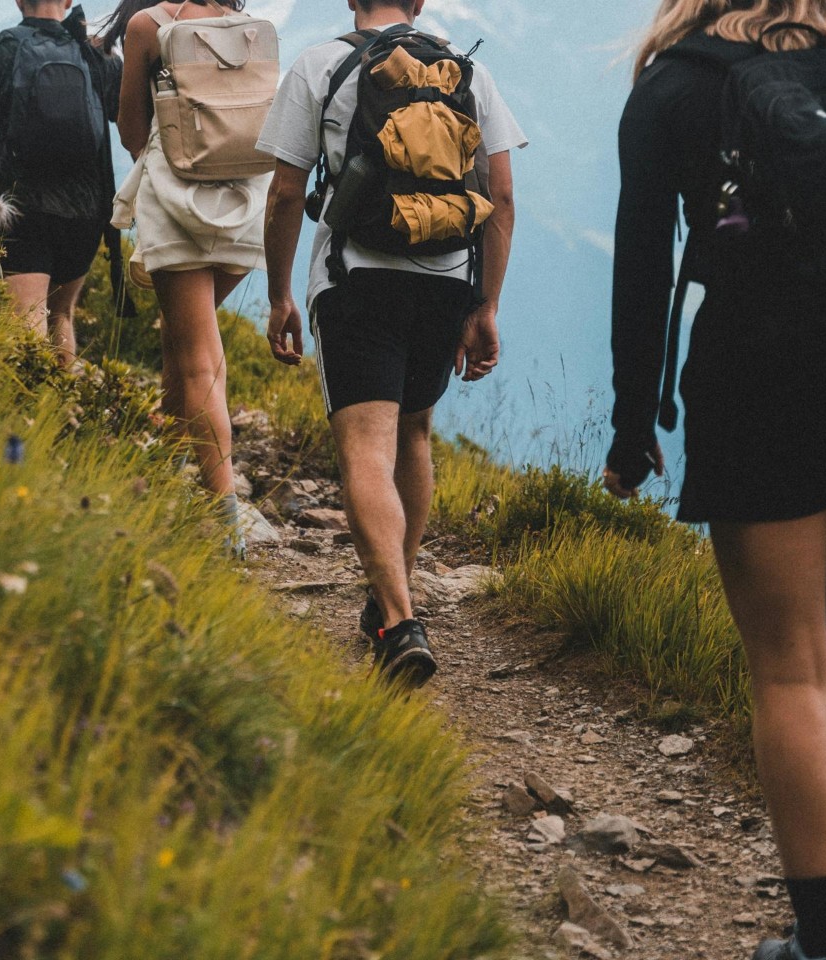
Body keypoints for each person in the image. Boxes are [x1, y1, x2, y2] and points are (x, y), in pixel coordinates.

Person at [604, 2, 826, 959]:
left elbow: (642, 264)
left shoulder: (675, 84)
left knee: (786, 662)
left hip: (759, 375)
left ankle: (820, 939)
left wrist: (634, 423)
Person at [257, 0, 525, 686]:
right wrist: (487, 304)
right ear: (420, 1)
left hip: (356, 279)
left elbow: (286, 192)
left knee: (365, 450)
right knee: (414, 436)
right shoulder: (466, 71)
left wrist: (281, 295)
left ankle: (400, 620)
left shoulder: (322, 63)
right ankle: (389, 598)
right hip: (446, 280)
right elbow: (500, 195)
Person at [105, 0, 268, 556]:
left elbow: (130, 124)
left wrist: (168, 157)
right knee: (182, 340)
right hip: (246, 201)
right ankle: (171, 467)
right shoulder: (251, 29)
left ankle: (226, 521)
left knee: (197, 356)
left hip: (178, 203)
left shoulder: (148, 25)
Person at [0, 0, 122, 367]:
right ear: (67, 1)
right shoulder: (99, 55)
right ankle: (63, 399)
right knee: (61, 315)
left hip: (17, 210)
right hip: (85, 213)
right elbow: (136, 129)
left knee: (25, 321)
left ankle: (27, 402)